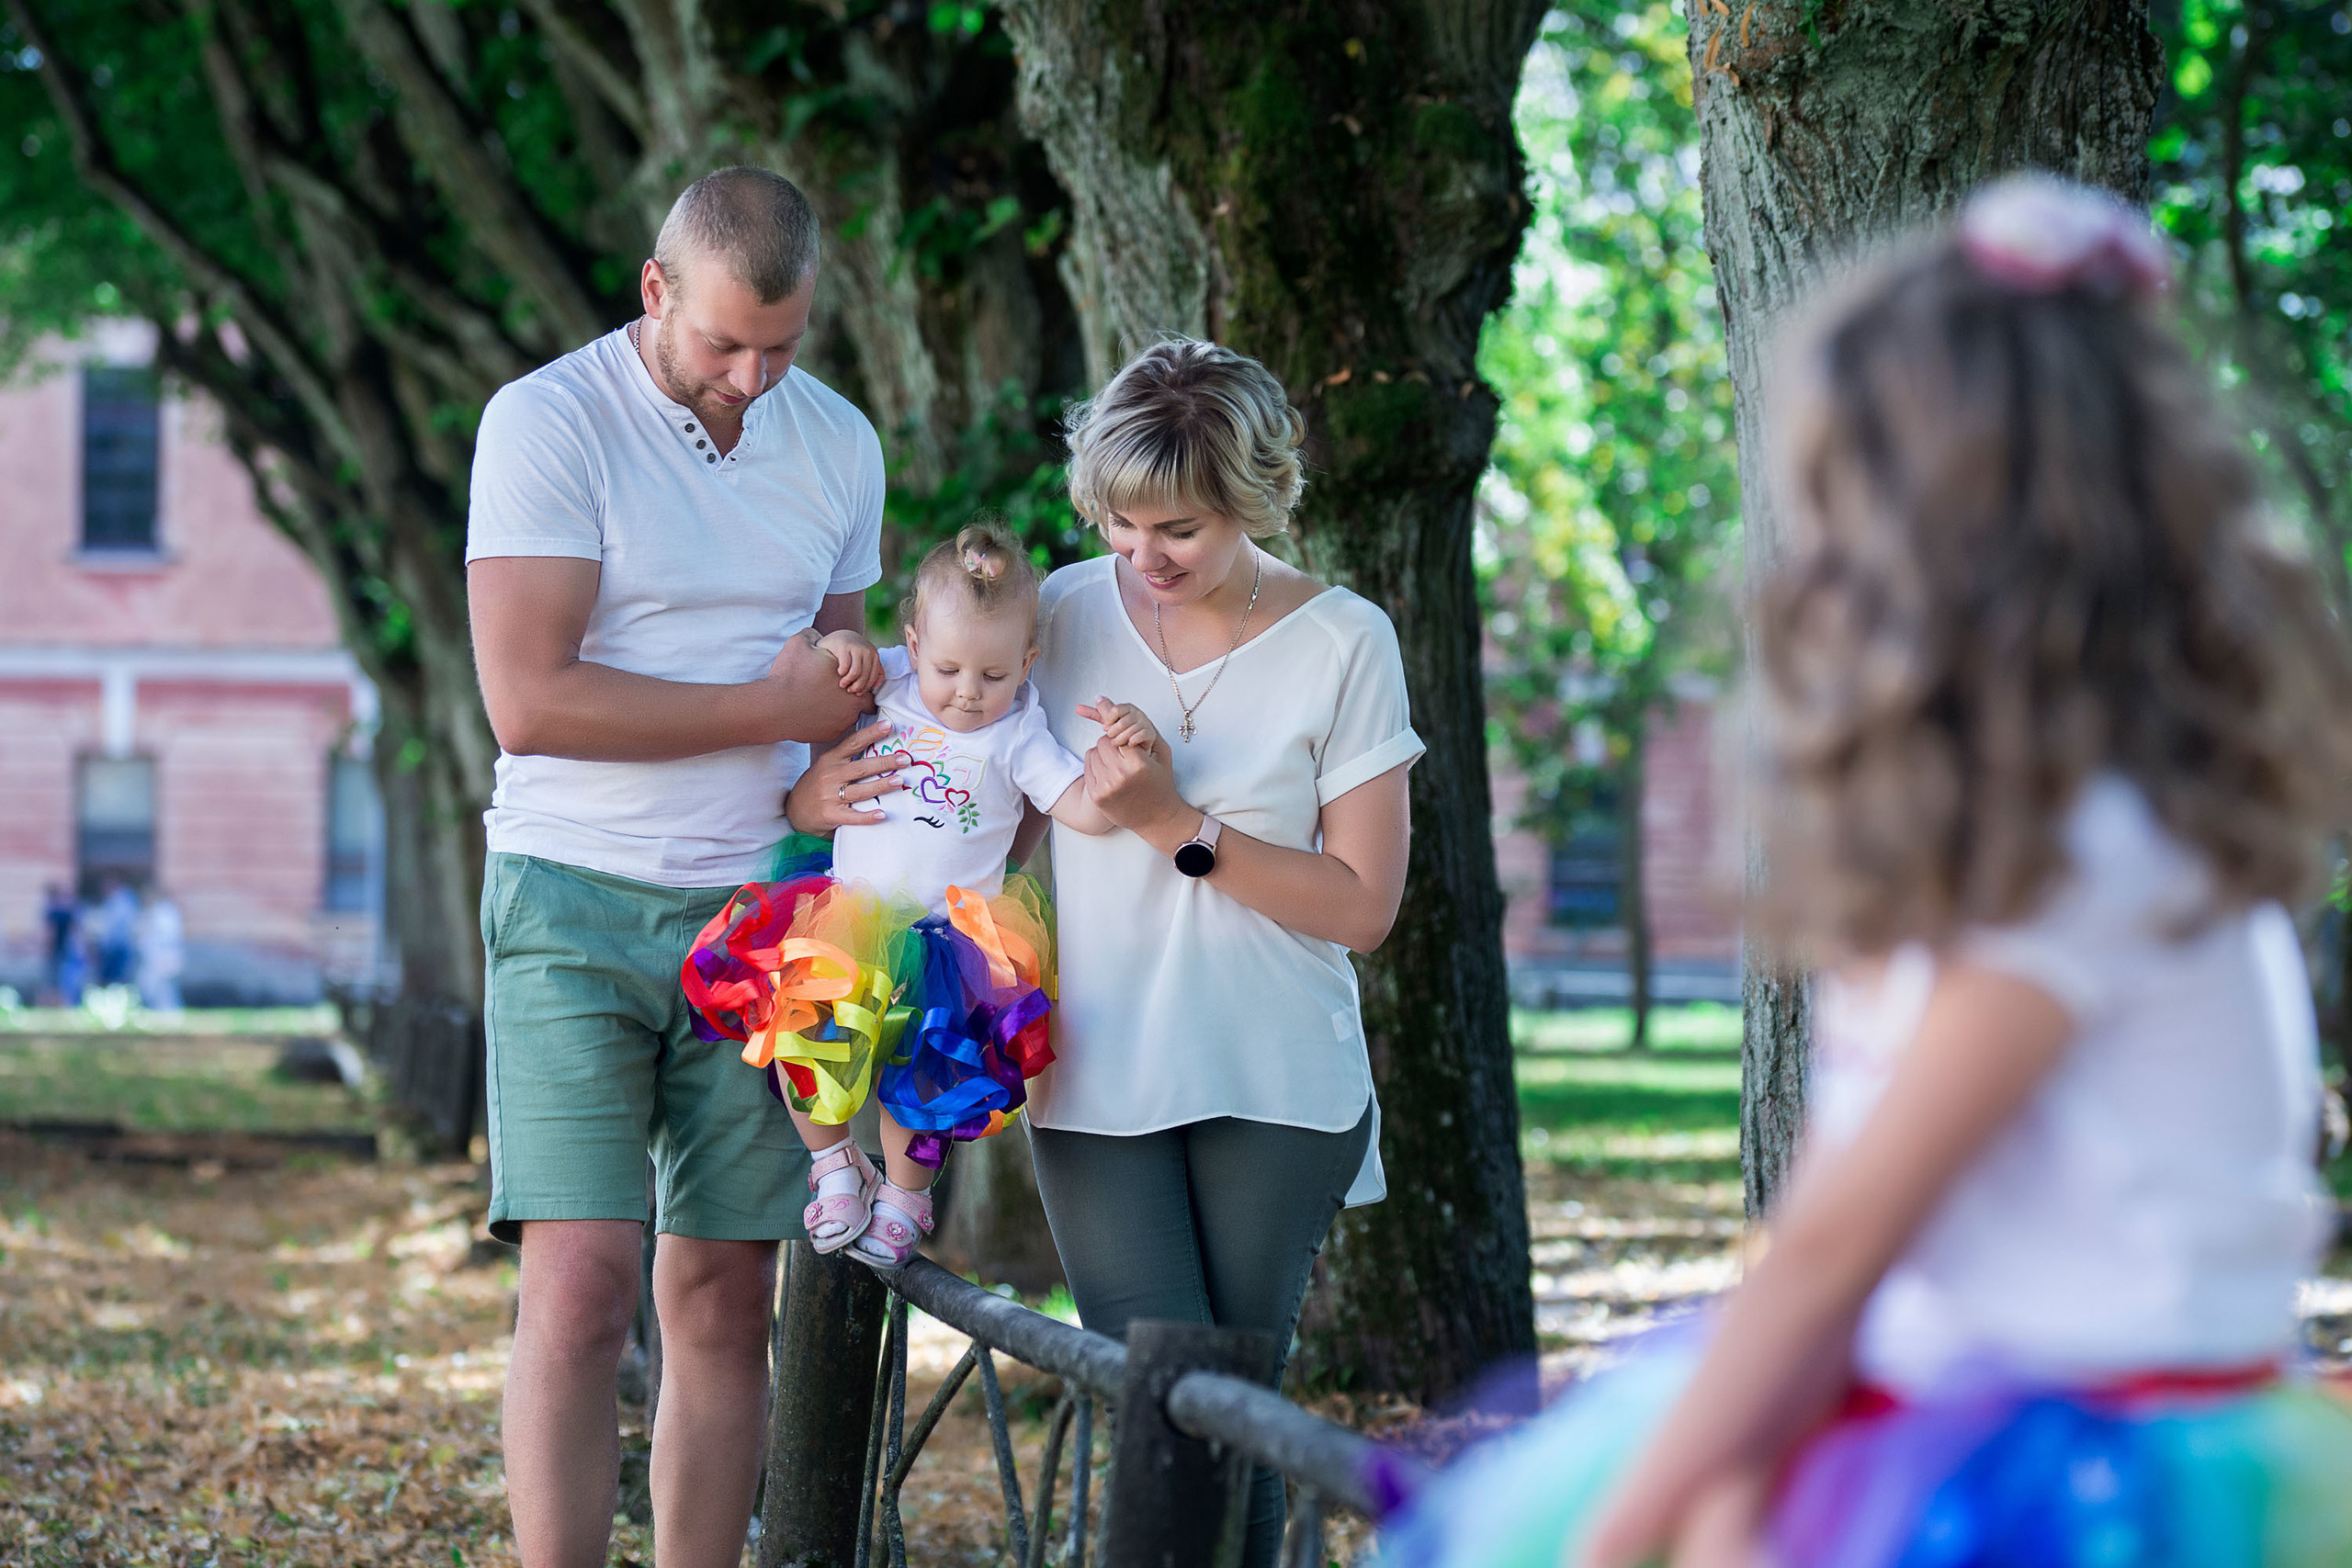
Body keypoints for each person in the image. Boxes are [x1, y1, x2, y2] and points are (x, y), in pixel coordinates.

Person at [1376, 173, 2352, 1568]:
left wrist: (1615, 1539)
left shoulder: (2087, 852)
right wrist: (1735, 1484)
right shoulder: (2021, 842)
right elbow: (1852, 1265)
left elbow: (1840, 1242)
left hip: (2091, 1488)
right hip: (1948, 1416)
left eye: (1836, 504)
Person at [795, 336, 1422, 1566]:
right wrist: (825, 800)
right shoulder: (1061, 613)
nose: (1143, 555)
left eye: (1177, 527)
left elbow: (1362, 904)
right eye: (1121, 521)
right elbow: (967, 804)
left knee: (1235, 1419)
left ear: (1257, 494)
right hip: (1088, 1075)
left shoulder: (1345, 640)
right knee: (1162, 1409)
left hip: (1280, 1081)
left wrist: (1175, 826)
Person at [465, 167, 880, 1568]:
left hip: (760, 907)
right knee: (580, 1287)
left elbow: (842, 679)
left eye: (784, 341)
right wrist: (777, 713)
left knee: (720, 1292)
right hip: (570, 894)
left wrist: (828, 777)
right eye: (723, 342)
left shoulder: (837, 444)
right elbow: (532, 699)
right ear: (656, 291)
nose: (754, 375)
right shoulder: (546, 422)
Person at [682, 521, 1159, 1269]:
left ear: (1027, 663)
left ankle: (906, 1195)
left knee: (930, 1075)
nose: (968, 692)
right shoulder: (894, 679)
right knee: (804, 1033)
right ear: (913, 642)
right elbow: (812, 665)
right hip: (850, 912)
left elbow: (1086, 812)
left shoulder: (1020, 733)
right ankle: (835, 1165)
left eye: (994, 676)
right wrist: (836, 651)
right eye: (948, 668)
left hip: (953, 941)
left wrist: (1130, 756)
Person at [135, 886, 183, 1012]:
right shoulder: (153, 912)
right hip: (154, 961)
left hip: (163, 961)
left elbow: (167, 938)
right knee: (151, 989)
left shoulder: (164, 912)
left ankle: (169, 1015)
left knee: (165, 993)